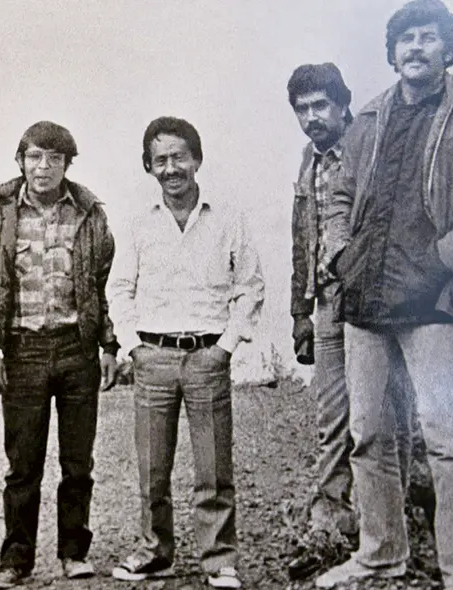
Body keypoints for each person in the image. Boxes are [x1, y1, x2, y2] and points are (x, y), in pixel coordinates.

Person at [314, 1, 453, 588]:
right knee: (369, 433)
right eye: (405, 40)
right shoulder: (370, 117)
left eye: (428, 38)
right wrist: (338, 254)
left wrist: (438, 259)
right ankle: (380, 552)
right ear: (392, 52)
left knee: (446, 439)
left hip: (436, 303)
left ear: (448, 48)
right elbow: (338, 195)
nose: (416, 49)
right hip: (367, 300)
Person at [108, 116, 264, 589]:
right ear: (148, 167)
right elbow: (120, 289)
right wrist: (133, 346)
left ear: (196, 159)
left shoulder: (229, 219)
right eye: (160, 160)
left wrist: (226, 347)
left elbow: (250, 287)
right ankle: (156, 552)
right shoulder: (138, 225)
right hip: (152, 357)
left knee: (213, 468)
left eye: (179, 157)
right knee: (152, 468)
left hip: (206, 358)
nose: (171, 168)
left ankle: (220, 560)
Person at [0, 121, 119, 587]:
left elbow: (102, 285)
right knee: (23, 465)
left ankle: (74, 553)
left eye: (54, 158)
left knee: (78, 462)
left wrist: (109, 344)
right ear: (21, 161)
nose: (44, 167)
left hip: (78, 350)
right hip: (23, 352)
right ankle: (16, 561)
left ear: (67, 164)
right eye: (35, 156)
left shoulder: (90, 214)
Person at [285, 63, 416, 575]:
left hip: (376, 304)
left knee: (386, 417)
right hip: (327, 305)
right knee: (332, 420)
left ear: (343, 105)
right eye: (303, 108)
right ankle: (330, 526)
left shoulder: (372, 150)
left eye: (321, 105)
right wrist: (301, 312)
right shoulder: (308, 161)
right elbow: (303, 237)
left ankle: (388, 524)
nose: (313, 117)